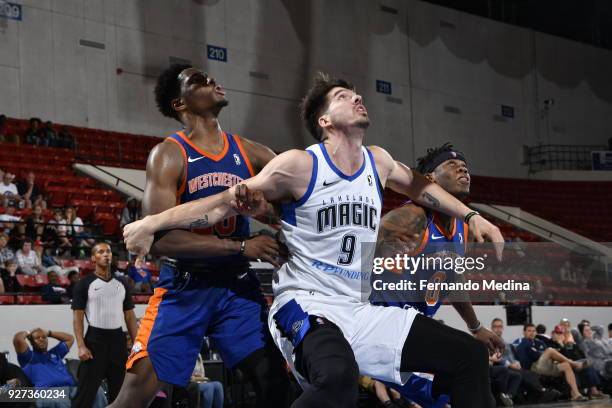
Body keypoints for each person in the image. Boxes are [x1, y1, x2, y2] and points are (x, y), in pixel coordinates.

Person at [122, 72, 505, 408]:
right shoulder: (299, 164)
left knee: (469, 355)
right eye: (343, 96)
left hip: (359, 307)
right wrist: (151, 222)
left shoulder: (379, 160)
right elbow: (224, 202)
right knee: (338, 379)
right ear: (324, 120)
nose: (357, 97)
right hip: (304, 301)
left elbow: (422, 187)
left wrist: (473, 216)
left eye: (356, 94)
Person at [110, 64, 289, 408]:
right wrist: (241, 246)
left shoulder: (251, 152)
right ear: (180, 104)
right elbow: (160, 241)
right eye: (198, 80)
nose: (212, 81)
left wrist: (269, 214)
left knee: (274, 383)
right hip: (184, 288)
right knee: (133, 399)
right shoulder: (168, 154)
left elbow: (297, 196)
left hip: (236, 288)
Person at [369, 143, 503, 406]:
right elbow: (365, 267)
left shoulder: (462, 229)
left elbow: (454, 281)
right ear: (429, 178)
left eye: (464, 165)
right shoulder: (410, 218)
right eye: (451, 165)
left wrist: (476, 327)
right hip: (383, 327)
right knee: (469, 365)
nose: (462, 168)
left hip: (412, 328)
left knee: (459, 388)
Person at [71, 242, 138, 407]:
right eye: (101, 252)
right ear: (93, 258)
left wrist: (138, 344)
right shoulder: (84, 284)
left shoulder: (122, 284)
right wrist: (81, 346)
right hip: (95, 341)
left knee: (119, 393)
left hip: (118, 340)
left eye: (108, 251)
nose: (106, 254)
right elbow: (77, 318)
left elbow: (129, 316)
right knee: (85, 393)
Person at [13, 328, 107, 408]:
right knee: (64, 401)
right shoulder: (28, 357)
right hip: (48, 392)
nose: (42, 339)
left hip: (71, 389)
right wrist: (28, 333)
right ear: (31, 342)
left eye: (44, 337)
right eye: (37, 338)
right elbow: (18, 340)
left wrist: (49, 333)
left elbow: (70, 338)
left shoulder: (55, 353)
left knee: (96, 391)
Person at [490, 318, 560, 404]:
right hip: (501, 367)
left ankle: (540, 393)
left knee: (529, 373)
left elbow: (512, 356)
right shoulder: (491, 342)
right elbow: (496, 357)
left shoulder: (506, 343)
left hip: (513, 366)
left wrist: (516, 362)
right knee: (523, 374)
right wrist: (510, 364)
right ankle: (542, 391)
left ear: (503, 328)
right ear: (492, 328)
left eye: (500, 326)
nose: (498, 329)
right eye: (495, 326)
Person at [515, 323, 587, 401]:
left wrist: (549, 354)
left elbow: (546, 354)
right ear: (524, 332)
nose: (532, 333)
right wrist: (545, 353)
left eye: (534, 331)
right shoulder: (523, 343)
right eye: (529, 331)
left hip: (546, 365)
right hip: (533, 368)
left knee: (565, 365)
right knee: (550, 350)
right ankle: (574, 364)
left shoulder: (539, 342)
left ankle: (576, 394)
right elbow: (535, 356)